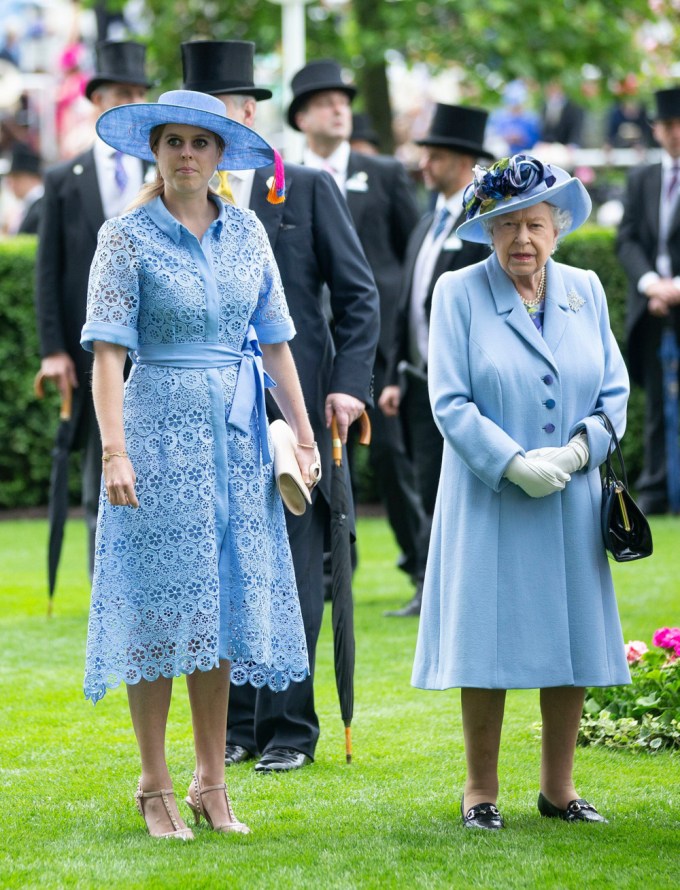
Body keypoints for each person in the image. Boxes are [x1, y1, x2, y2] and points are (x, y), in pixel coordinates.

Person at [81, 88, 314, 839]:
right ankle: (154, 785)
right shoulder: (124, 236)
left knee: (218, 609)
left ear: (221, 156)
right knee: (155, 609)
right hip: (155, 436)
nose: (187, 154)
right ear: (155, 150)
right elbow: (108, 354)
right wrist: (115, 450)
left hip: (240, 440)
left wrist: (304, 438)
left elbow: (277, 342)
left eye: (201, 143)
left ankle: (212, 783)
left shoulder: (247, 231)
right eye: (174, 141)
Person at [412, 154, 630, 830]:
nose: (522, 241)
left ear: (557, 228)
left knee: (573, 641)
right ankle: (480, 791)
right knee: (488, 641)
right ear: (488, 230)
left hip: (570, 493)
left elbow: (614, 393)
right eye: (506, 227)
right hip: (490, 496)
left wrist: (576, 450)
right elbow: (448, 402)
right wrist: (511, 462)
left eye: (534, 225)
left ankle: (559, 789)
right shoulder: (458, 293)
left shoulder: (585, 289)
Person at [181, 41, 379, 772]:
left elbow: (358, 296)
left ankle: (290, 730)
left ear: (249, 114)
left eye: (221, 117)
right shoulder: (178, 199)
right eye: (193, 123)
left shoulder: (305, 188)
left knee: (296, 572)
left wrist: (348, 385)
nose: (205, 138)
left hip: (296, 412)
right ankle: (234, 728)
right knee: (223, 568)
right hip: (208, 413)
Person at [288, 59, 427, 600]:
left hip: (378, 348)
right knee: (312, 456)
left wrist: (394, 345)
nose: (339, 108)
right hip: (304, 350)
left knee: (392, 460)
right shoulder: (282, 179)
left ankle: (420, 566)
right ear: (301, 117)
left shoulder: (386, 172)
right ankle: (327, 566)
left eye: (344, 100)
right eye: (325, 101)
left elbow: (411, 256)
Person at [35, 40, 150, 578]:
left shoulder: (164, 169)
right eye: (122, 94)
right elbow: (48, 271)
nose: (131, 102)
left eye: (139, 94)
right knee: (95, 459)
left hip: (154, 343)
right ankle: (102, 574)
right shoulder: (63, 179)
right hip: (91, 348)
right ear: (98, 99)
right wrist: (54, 349)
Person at [379, 103, 493, 617]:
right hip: (419, 379)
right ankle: (431, 584)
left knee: (461, 487)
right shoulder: (428, 221)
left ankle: (459, 587)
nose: (425, 165)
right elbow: (409, 301)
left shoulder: (484, 225)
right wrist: (398, 371)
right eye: (425, 154)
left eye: (437, 156)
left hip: (467, 384)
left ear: (466, 163)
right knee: (425, 485)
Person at [616, 87, 680, 515]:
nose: (672, 133)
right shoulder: (642, 178)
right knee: (656, 401)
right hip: (652, 306)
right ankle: (657, 486)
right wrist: (650, 285)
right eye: (665, 125)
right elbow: (628, 238)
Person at [4, 140, 43, 234]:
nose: (11, 184)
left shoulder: (40, 208)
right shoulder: (29, 207)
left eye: (16, 177)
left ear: (31, 177)